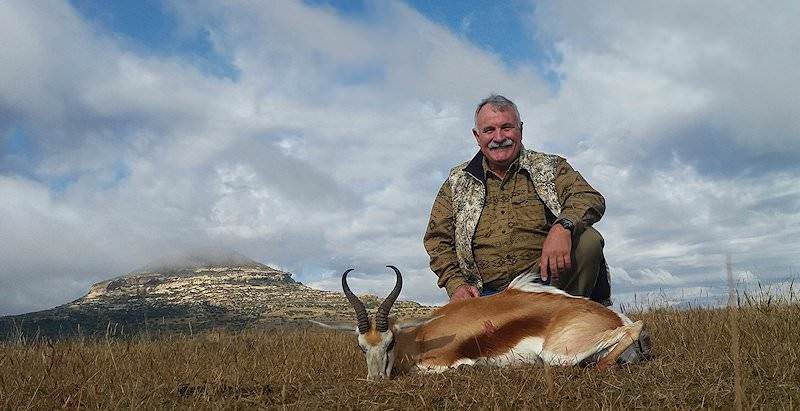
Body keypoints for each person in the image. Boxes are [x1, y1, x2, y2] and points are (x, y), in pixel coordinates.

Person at [424, 94, 611, 305]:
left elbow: (588, 196)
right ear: (477, 137)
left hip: (547, 284)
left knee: (589, 241)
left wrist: (563, 226)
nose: (498, 137)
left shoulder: (550, 167)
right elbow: (437, 238)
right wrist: (456, 284)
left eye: (506, 127)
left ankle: (571, 319)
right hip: (485, 295)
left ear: (520, 129)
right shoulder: (457, 181)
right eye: (489, 130)